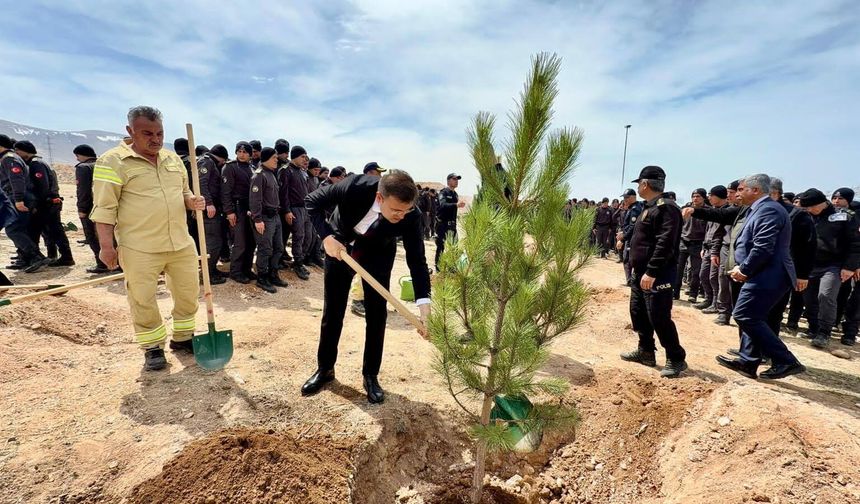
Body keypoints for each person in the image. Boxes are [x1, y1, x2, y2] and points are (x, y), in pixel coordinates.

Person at [90, 106, 205, 371]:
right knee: (143, 298)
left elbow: (185, 193)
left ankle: (183, 337)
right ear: (130, 131)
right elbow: (105, 209)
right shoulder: (112, 161)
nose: (155, 139)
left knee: (189, 292)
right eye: (147, 133)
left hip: (180, 242)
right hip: (139, 246)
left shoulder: (172, 160)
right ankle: (153, 347)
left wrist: (192, 202)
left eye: (160, 133)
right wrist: (107, 247)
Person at [301, 170, 431, 403]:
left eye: (406, 210)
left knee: (377, 314)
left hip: (378, 252)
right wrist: (327, 237)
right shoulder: (355, 186)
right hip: (339, 246)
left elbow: (417, 260)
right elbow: (311, 201)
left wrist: (424, 305)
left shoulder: (411, 215)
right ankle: (325, 369)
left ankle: (371, 375)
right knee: (333, 312)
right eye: (396, 211)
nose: (402, 215)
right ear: (380, 198)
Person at [715, 174, 805, 380]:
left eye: (741, 189)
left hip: (769, 274)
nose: (737, 194)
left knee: (745, 314)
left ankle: (786, 360)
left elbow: (763, 246)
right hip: (763, 273)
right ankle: (748, 361)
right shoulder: (759, 209)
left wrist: (744, 269)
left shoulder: (769, 210)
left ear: (755, 190)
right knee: (752, 315)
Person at [620, 166, 687, 378]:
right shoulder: (649, 207)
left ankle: (676, 357)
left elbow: (665, 244)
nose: (638, 187)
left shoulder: (667, 208)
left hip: (657, 274)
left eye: (639, 184)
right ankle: (646, 351)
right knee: (639, 313)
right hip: (640, 273)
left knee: (659, 316)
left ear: (645, 184)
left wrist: (652, 271)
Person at [796, 189, 860, 348]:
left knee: (825, 296)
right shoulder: (807, 216)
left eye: (811, 207)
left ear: (821, 203)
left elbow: (855, 243)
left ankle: (824, 332)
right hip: (810, 265)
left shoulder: (844, 216)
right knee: (809, 298)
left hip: (833, 265)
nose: (809, 210)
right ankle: (813, 328)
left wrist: (850, 266)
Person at [14, 140, 74, 267]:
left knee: (44, 231)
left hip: (46, 204)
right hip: (46, 204)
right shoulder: (34, 163)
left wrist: (36, 205)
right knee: (49, 231)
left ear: (25, 151)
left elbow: (42, 187)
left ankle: (58, 257)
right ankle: (51, 256)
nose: (16, 154)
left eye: (17, 151)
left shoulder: (36, 164)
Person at [0, 134, 50, 273]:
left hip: (20, 198)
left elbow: (16, 180)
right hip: (17, 197)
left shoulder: (8, 158)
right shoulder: (8, 158)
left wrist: (18, 200)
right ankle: (29, 258)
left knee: (13, 229)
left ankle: (36, 257)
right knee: (20, 229)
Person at [249, 147, 287, 293]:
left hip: (275, 216)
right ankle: (262, 278)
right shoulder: (259, 175)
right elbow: (255, 200)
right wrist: (257, 219)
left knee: (279, 247)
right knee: (265, 249)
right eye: (274, 158)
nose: (277, 160)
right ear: (266, 158)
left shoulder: (271, 174)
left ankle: (273, 274)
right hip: (264, 217)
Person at [221, 142, 257, 283]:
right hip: (237, 207)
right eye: (239, 151)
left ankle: (246, 269)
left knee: (251, 242)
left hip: (250, 208)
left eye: (245, 152)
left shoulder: (252, 168)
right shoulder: (230, 167)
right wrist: (229, 212)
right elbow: (225, 192)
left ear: (249, 154)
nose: (242, 154)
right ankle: (235, 272)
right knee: (240, 242)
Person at [196, 143, 229, 284]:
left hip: (214, 208)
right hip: (208, 209)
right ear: (222, 158)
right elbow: (201, 183)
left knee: (216, 241)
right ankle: (207, 274)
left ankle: (212, 269)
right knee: (212, 243)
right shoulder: (206, 162)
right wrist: (208, 202)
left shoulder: (209, 162)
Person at [74, 144, 110, 273]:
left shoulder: (83, 168)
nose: (77, 159)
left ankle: (102, 264)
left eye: (77, 156)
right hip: (107, 205)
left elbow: (83, 191)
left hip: (91, 208)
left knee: (93, 236)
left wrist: (82, 209)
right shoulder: (103, 164)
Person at [694, 186, 729, 312]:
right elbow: (708, 231)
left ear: (718, 196)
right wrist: (704, 246)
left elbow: (720, 233)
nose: (709, 198)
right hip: (708, 248)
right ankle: (708, 299)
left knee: (714, 278)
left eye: (711, 195)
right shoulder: (713, 211)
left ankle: (716, 303)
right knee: (703, 275)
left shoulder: (727, 212)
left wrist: (715, 251)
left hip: (718, 250)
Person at [282, 145, 312, 280]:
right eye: (303, 157)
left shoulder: (301, 171)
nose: (305, 159)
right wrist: (287, 211)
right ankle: (298, 263)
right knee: (298, 236)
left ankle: (300, 261)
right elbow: (284, 193)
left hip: (304, 208)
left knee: (306, 235)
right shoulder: (286, 170)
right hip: (294, 209)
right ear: (295, 156)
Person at [674, 188, 707, 302]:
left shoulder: (707, 211)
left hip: (698, 243)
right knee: (678, 269)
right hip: (684, 241)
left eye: (698, 196)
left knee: (695, 272)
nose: (695, 198)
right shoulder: (686, 209)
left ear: (704, 197)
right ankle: (675, 292)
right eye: (693, 196)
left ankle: (693, 294)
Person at [435, 172, 465, 270]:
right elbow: (443, 205)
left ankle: (452, 268)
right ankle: (438, 268)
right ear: (448, 181)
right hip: (442, 225)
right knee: (441, 247)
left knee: (454, 248)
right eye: (454, 179)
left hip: (452, 225)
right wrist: (456, 205)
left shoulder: (455, 195)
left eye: (457, 179)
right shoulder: (443, 192)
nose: (456, 181)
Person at [617, 189, 643, 286]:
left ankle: (630, 281)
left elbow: (633, 227)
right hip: (631, 237)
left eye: (626, 197)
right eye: (624, 198)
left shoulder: (635, 209)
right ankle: (631, 280)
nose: (624, 200)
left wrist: (623, 239)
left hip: (632, 239)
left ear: (633, 197)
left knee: (627, 259)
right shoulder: (633, 207)